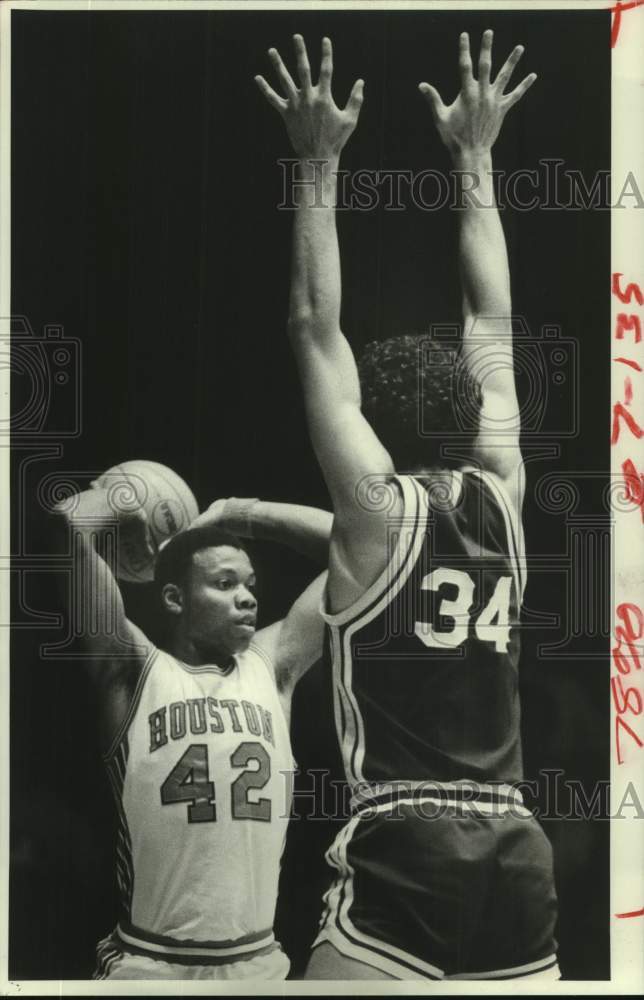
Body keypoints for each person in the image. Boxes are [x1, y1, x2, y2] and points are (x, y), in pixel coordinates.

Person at [256, 30, 559, 981]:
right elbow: (491, 319)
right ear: (469, 415)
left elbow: (314, 324)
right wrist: (476, 155)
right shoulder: (504, 489)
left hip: (408, 848)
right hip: (518, 852)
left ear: (373, 427)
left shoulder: (374, 509)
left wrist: (316, 161)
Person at [54, 487, 331, 980]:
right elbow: (66, 527)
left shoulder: (273, 666)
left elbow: (361, 548)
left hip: (256, 966)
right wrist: (124, 497)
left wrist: (241, 513)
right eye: (224, 583)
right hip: (148, 965)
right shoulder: (134, 670)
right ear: (174, 598)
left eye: (249, 584)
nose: (247, 597)